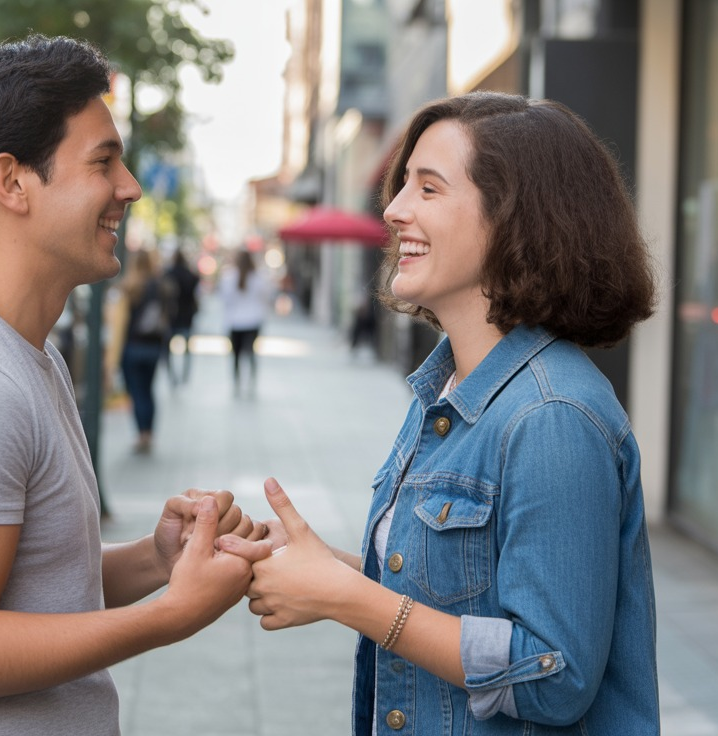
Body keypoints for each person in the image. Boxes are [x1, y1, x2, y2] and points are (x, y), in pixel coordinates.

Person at [0, 35, 265, 735]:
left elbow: (29, 587)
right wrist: (170, 616)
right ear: (11, 182)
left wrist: (155, 560)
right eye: (103, 162)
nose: (129, 187)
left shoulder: (17, 353)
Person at [219, 92, 660, 735]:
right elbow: (455, 595)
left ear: (515, 219)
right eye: (403, 186)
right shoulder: (453, 387)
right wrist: (323, 568)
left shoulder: (551, 416)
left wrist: (348, 598)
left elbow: (553, 676)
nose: (394, 210)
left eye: (428, 188)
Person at [106, 248, 172, 454]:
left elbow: (120, 324)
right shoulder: (161, 286)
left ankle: (142, 434)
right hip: (153, 347)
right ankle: (149, 433)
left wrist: (112, 357)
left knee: (137, 393)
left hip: (132, 347)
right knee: (148, 391)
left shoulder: (129, 287)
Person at [217, 249, 272, 395]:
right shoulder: (258, 277)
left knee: (236, 355)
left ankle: (237, 382)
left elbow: (224, 299)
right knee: (251, 352)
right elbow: (265, 297)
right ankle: (251, 381)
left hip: (235, 321)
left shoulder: (229, 277)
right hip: (253, 320)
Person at [164, 248, 201, 384]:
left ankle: (172, 376)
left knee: (167, 350)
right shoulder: (189, 275)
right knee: (187, 349)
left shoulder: (169, 274)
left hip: (172, 317)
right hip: (187, 316)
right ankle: (185, 375)